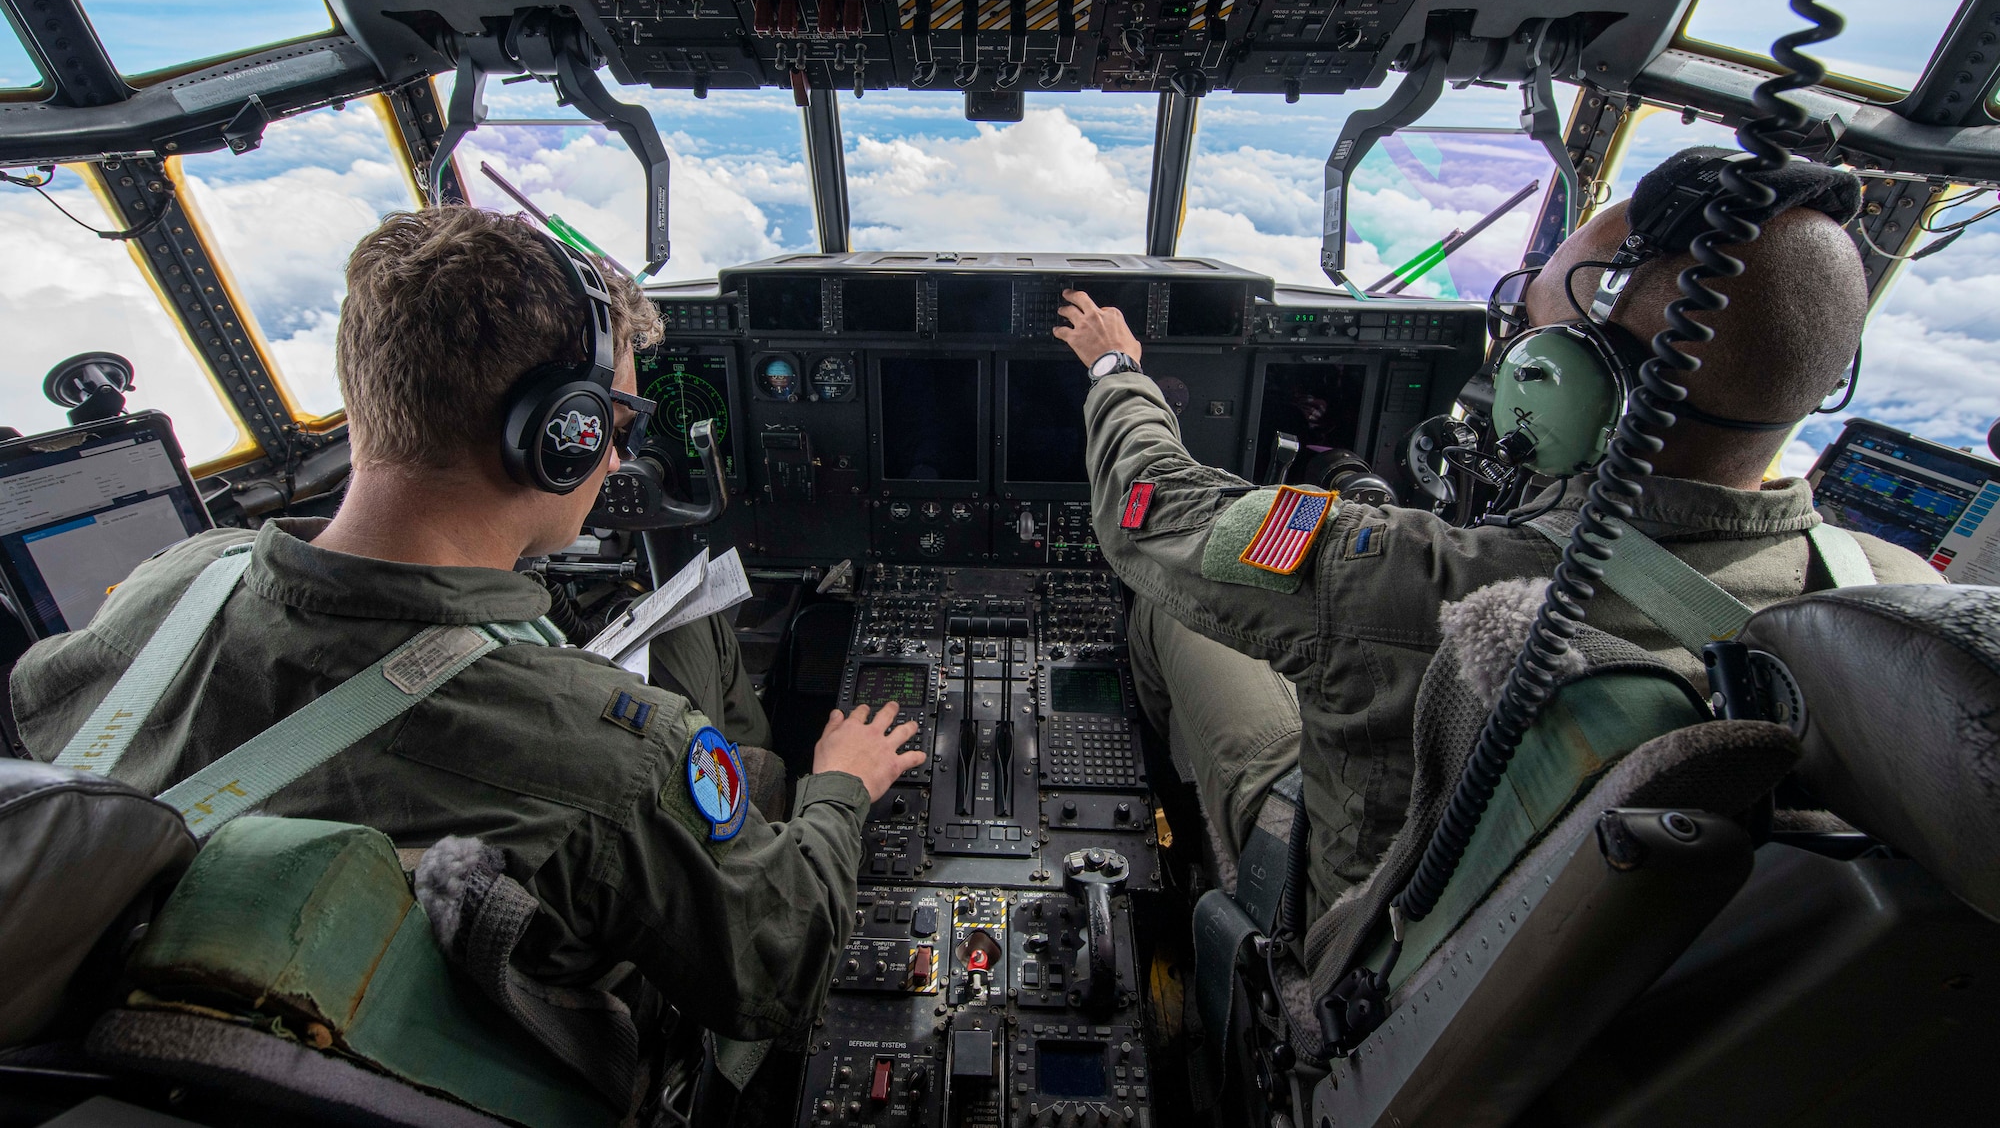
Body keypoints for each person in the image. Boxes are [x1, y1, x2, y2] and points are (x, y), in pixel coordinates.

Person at [8, 206, 924, 1060]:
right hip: (525, 1040)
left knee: (699, 631)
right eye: (614, 424)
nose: (618, 455)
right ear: (555, 437)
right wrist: (840, 786)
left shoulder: (176, 582)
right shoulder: (617, 756)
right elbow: (781, 967)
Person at [1051, 163, 1941, 926]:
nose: (1505, 349)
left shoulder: (1445, 580)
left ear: (1575, 386)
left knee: (1176, 612)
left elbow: (1151, 512)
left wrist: (1115, 368)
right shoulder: (1895, 610)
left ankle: (1206, 862)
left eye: (1526, 328)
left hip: (1365, 921)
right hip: (1543, 959)